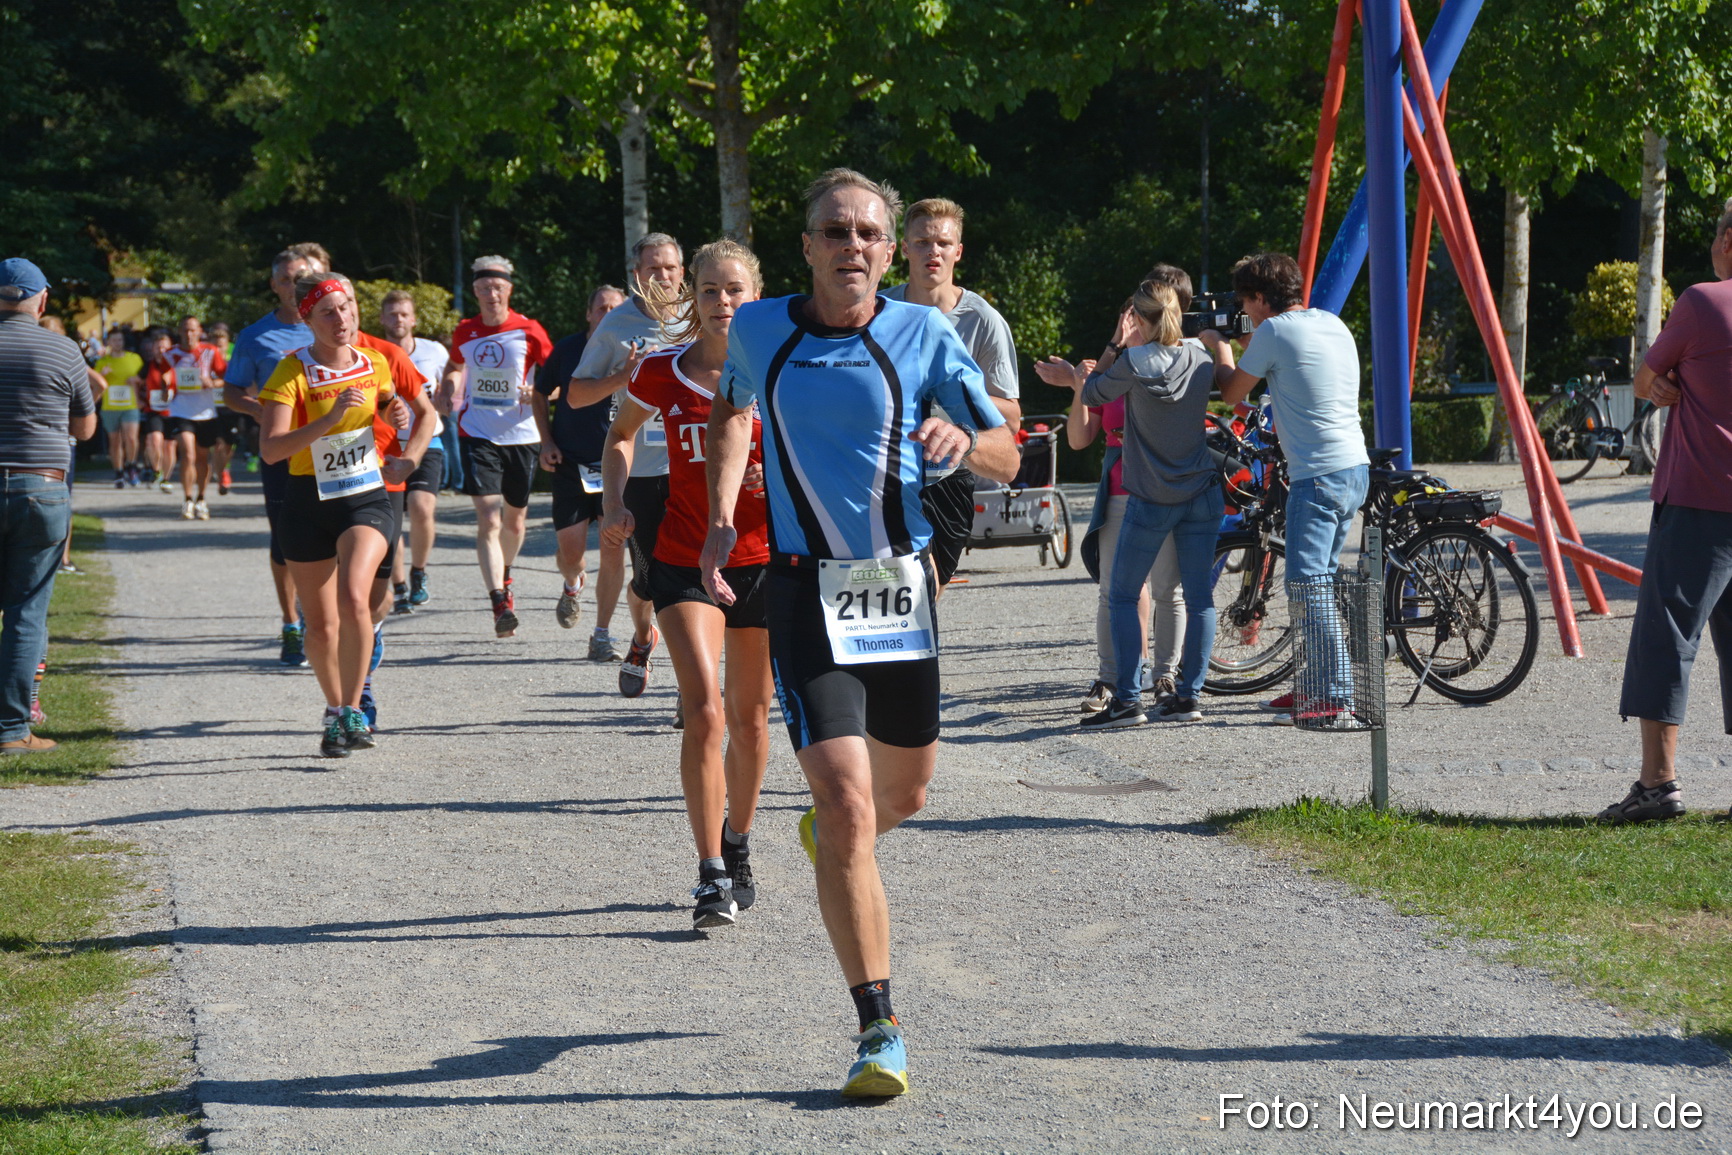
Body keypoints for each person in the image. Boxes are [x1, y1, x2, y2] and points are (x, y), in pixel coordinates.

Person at [701, 169, 1017, 1097]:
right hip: (804, 591)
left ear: (889, 251)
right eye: (835, 231)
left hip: (899, 589)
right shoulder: (760, 328)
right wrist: (725, 508)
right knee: (849, 807)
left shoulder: (926, 333)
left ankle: (826, 831)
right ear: (806, 246)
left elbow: (1008, 446)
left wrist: (967, 445)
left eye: (869, 233)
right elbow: (731, 406)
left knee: (901, 797)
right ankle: (878, 1028)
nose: (853, 246)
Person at [600, 242, 773, 929]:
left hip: (763, 560)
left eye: (734, 290)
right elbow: (618, 436)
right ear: (691, 300)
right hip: (681, 556)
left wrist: (776, 482)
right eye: (708, 291)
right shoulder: (664, 372)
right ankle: (708, 872)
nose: (721, 303)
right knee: (705, 708)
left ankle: (738, 840)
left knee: (753, 719)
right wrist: (615, 504)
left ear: (755, 296)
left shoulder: (781, 372)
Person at [1598, 201, 1732, 825]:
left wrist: (1665, 381)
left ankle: (1658, 784)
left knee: (1666, 637)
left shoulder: (1703, 303)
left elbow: (1647, 376)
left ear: (1727, 241)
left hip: (1701, 499)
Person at [1205, 251, 1370, 727]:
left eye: (1246, 301)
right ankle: (1312, 687)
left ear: (1259, 298)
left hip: (1316, 476)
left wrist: (1220, 346)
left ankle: (1335, 697)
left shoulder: (1274, 332)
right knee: (1317, 578)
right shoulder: (1332, 324)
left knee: (1308, 584)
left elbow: (1233, 394)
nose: (1246, 310)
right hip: (1352, 468)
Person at [257, 273, 403, 757]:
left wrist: (397, 414)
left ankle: (357, 705)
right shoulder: (291, 371)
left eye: (347, 308)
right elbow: (273, 449)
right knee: (319, 625)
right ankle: (336, 710)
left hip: (365, 495)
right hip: (306, 501)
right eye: (328, 312)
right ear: (308, 319)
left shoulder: (375, 361)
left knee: (354, 597)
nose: (341, 319)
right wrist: (328, 420)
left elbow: (388, 402)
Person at [1040, 263, 1195, 714]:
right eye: (1129, 315)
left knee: (1169, 588)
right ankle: (1109, 679)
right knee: (1113, 588)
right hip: (1122, 487)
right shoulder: (1118, 364)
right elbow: (1077, 437)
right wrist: (1090, 372)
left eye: (1138, 316)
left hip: (1163, 485)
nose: (1131, 324)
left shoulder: (1182, 358)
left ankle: (1165, 675)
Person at [1074, 276, 1223, 728]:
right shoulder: (1200, 356)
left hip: (1151, 495)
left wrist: (1116, 346)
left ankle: (1125, 700)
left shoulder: (1135, 361)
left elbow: (1094, 392)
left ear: (1137, 318)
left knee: (1121, 594)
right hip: (1201, 490)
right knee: (1198, 599)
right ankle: (1187, 696)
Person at [881, 198, 1022, 591]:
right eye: (923, 242)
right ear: (904, 248)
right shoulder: (879, 309)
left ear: (958, 252)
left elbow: (1010, 419)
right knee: (895, 594)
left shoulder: (983, 321)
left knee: (926, 596)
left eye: (943, 243)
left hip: (948, 475)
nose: (933, 252)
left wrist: (950, 391)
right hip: (885, 470)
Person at [566, 234, 685, 691]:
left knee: (697, 573)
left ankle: (689, 687)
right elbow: (576, 395)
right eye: (653, 268)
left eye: (671, 267)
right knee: (649, 580)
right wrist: (624, 375)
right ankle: (641, 635)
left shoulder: (701, 319)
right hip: (640, 467)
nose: (663, 276)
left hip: (693, 465)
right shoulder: (616, 325)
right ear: (637, 275)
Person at [0, 258, 97, 755]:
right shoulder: (62, 349)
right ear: (41, 300)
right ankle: (13, 730)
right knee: (25, 611)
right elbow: (84, 429)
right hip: (41, 487)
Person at [438, 255, 552, 638]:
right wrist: (450, 386)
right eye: (483, 288)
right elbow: (454, 367)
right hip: (477, 432)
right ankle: (499, 600)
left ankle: (504, 572)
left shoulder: (529, 330)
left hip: (521, 435)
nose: (491, 294)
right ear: (475, 292)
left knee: (515, 521)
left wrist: (538, 391)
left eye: (497, 287)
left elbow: (555, 379)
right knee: (489, 518)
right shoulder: (465, 331)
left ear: (509, 290)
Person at [225, 247, 327, 667]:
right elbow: (231, 391)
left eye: (299, 278)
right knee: (285, 539)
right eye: (284, 279)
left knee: (335, 534)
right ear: (273, 284)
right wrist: (258, 409)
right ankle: (290, 623)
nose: (292, 286)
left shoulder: (330, 323)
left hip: (329, 449)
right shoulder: (254, 336)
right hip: (283, 451)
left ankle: (321, 620)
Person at [532, 284, 628, 650]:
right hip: (571, 464)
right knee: (571, 555)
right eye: (601, 308)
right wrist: (547, 442)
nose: (607, 315)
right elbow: (540, 393)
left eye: (614, 309)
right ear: (589, 314)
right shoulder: (569, 349)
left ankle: (601, 634)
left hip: (615, 464)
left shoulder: (634, 350)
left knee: (613, 550)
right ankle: (573, 583)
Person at [377, 289, 450, 612]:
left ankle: (419, 572)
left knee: (421, 508)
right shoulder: (376, 355)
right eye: (392, 314)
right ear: (382, 319)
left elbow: (452, 380)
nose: (398, 320)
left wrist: (451, 396)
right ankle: (400, 585)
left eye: (404, 314)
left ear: (414, 319)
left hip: (427, 441)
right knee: (391, 520)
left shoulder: (434, 351)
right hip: (387, 445)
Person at [147, 315, 228, 520]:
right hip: (181, 411)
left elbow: (226, 379)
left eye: (192, 330)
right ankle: (187, 499)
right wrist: (166, 388)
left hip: (206, 412)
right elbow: (165, 380)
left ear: (200, 331)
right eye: (185, 330)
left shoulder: (211, 352)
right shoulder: (170, 354)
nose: (189, 334)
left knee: (202, 458)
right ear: (180, 332)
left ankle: (201, 498)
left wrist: (212, 383)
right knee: (188, 454)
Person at [94, 329, 144, 487]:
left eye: (120, 340)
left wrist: (137, 380)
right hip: (110, 406)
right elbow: (94, 383)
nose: (118, 343)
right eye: (114, 340)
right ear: (108, 342)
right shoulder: (102, 361)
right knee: (114, 441)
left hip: (130, 404)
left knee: (131, 438)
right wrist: (102, 374)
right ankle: (118, 472)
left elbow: (144, 378)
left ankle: (131, 465)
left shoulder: (134, 358)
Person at [137, 328, 177, 493]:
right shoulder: (147, 366)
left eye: (164, 347)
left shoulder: (177, 364)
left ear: (170, 348)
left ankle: (166, 479)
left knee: (169, 446)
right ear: (153, 349)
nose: (161, 351)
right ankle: (156, 470)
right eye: (158, 348)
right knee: (154, 440)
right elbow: (133, 381)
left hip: (174, 411)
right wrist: (138, 399)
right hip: (153, 410)